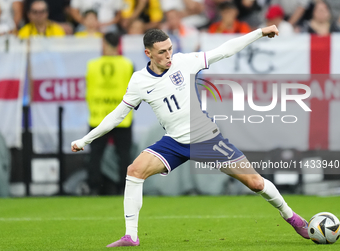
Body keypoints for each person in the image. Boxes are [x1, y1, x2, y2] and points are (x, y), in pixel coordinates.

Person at [71, 25, 310, 247]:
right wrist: (85, 140)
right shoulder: (139, 81)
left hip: (207, 139)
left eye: (170, 49)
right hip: (174, 143)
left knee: (256, 183)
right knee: (134, 170)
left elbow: (224, 51)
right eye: (162, 52)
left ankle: (292, 218)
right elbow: (116, 115)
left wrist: (259, 32)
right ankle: (131, 235)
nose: (168, 55)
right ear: (148, 53)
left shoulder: (185, 62)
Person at [84, 32, 134, 195]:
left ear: (104, 44)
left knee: (95, 156)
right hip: (122, 117)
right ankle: (124, 188)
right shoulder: (127, 64)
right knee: (124, 155)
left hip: (99, 115)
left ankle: (94, 188)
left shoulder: (92, 65)